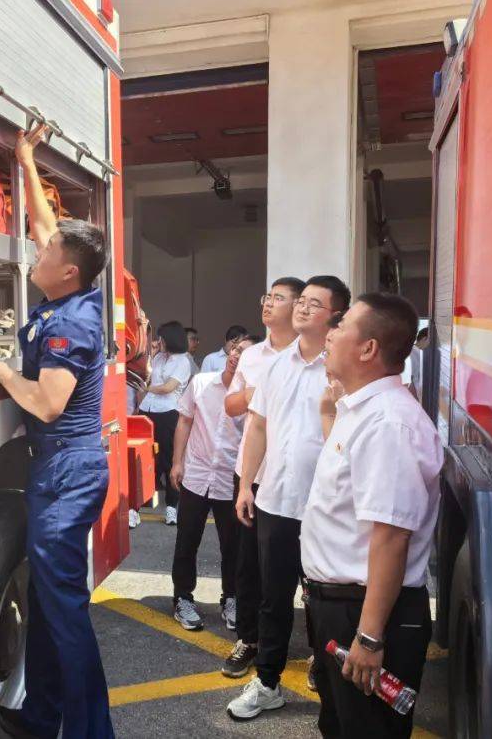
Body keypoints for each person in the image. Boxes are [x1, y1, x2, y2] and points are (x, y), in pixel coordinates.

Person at [0, 124, 114, 739]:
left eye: (46, 254)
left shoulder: (69, 326)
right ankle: (44, 714)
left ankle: (88, 731)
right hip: (64, 469)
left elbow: (47, 404)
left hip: (66, 470)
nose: (35, 252)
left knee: (67, 616)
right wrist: (25, 159)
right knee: (53, 611)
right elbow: (48, 226)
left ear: (69, 273)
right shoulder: (73, 294)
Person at [302, 292, 442, 739]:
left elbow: (390, 538)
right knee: (341, 727)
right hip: (339, 608)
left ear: (368, 349)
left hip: (364, 613)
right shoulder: (359, 409)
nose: (330, 332)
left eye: (341, 326)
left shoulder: (388, 424)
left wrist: (368, 638)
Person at [227, 275, 351, 721]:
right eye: (301, 301)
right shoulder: (275, 365)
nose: (301, 308)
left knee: (324, 596)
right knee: (272, 596)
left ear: (335, 316)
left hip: (326, 506)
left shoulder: (343, 367)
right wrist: (247, 486)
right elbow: (257, 426)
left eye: (314, 304)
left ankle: (327, 670)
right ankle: (267, 683)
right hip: (275, 500)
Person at [220, 276, 304, 679]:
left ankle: (319, 653)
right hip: (255, 475)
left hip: (300, 480)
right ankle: (250, 640)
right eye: (266, 296)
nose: (268, 303)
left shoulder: (317, 355)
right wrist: (259, 394)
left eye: (279, 298)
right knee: (249, 566)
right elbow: (232, 406)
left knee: (306, 569)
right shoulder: (253, 355)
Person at [168, 335, 258, 632]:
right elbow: (185, 422)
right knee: (187, 540)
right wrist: (177, 462)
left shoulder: (254, 396)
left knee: (232, 546)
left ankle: (230, 598)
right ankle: (182, 598)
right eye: (235, 349)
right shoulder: (201, 383)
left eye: (244, 353)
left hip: (229, 480)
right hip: (196, 474)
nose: (235, 355)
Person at [139, 321, 193, 525]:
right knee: (147, 458)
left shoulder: (183, 361)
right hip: (148, 409)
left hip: (168, 412)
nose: (158, 341)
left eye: (161, 338)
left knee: (169, 459)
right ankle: (139, 506)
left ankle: (171, 506)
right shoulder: (159, 357)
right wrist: (150, 353)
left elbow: (167, 388)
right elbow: (146, 373)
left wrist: (146, 388)